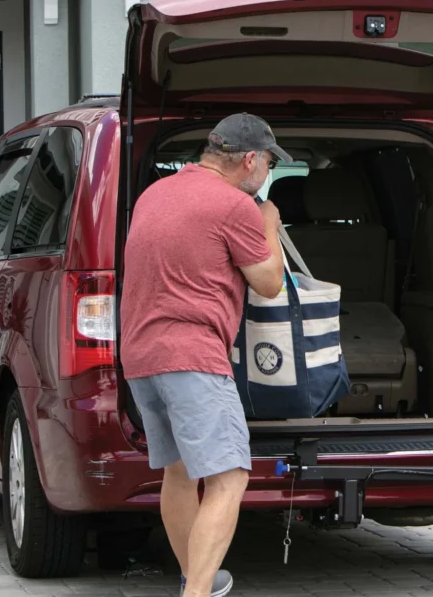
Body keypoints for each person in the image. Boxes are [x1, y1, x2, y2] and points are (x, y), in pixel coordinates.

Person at [119, 113, 290, 597]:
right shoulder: (233, 205)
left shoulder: (155, 194)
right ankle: (196, 593)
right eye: (270, 164)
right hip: (193, 357)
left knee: (178, 473)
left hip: (142, 357)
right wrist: (269, 224)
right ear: (250, 161)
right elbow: (270, 283)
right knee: (229, 477)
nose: (267, 174)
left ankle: (198, 579)